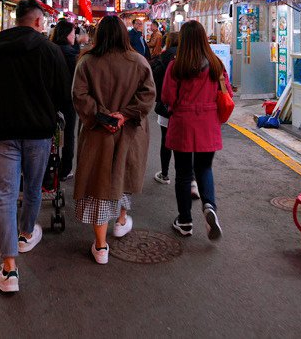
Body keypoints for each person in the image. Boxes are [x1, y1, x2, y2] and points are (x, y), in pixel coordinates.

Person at [0, 0, 71, 293]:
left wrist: (0, 111)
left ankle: (9, 270)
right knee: (33, 187)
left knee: (5, 196)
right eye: (42, 21)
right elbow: (61, 95)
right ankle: (26, 234)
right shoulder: (51, 51)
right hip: (39, 133)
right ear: (36, 21)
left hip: (4, 131)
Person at [72, 15, 156, 264]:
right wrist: (125, 114)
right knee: (122, 178)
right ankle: (121, 220)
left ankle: (101, 246)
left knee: (98, 187)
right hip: (129, 134)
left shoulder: (86, 61)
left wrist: (102, 115)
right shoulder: (139, 62)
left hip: (98, 134)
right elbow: (148, 95)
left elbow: (79, 95)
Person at [161, 20, 233, 241]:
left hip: (183, 123)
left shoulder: (177, 65)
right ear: (203, 38)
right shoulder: (216, 64)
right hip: (207, 124)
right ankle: (209, 205)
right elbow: (227, 92)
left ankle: (185, 221)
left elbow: (167, 97)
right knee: (204, 168)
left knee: (183, 174)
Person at [51, 19, 79, 180]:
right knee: (68, 134)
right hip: (68, 100)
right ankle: (65, 169)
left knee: (50, 133)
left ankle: (49, 165)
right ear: (66, 34)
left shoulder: (49, 49)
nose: (74, 36)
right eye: (73, 33)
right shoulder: (72, 54)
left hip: (50, 99)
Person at [150, 31, 179, 185]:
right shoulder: (190, 57)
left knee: (166, 139)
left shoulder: (164, 55)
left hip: (166, 104)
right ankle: (190, 177)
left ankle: (165, 173)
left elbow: (154, 75)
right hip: (185, 108)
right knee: (185, 142)